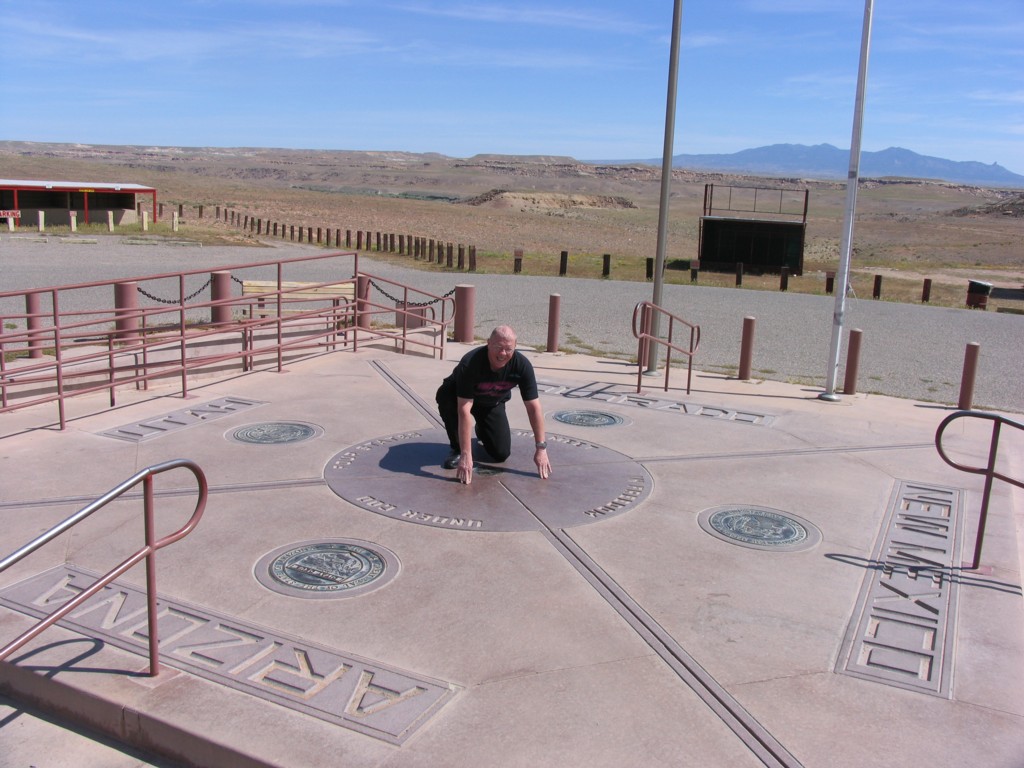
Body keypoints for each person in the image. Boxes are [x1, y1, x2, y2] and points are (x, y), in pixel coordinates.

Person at [435, 326, 552, 485]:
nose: (503, 353)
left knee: (500, 454)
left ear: (515, 347)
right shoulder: (470, 363)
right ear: (488, 343)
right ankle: (456, 447)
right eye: (498, 347)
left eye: (508, 349)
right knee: (446, 396)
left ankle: (482, 429)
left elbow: (533, 407)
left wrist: (541, 448)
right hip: (460, 399)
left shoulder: (522, 365)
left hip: (491, 403)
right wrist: (466, 453)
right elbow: (464, 409)